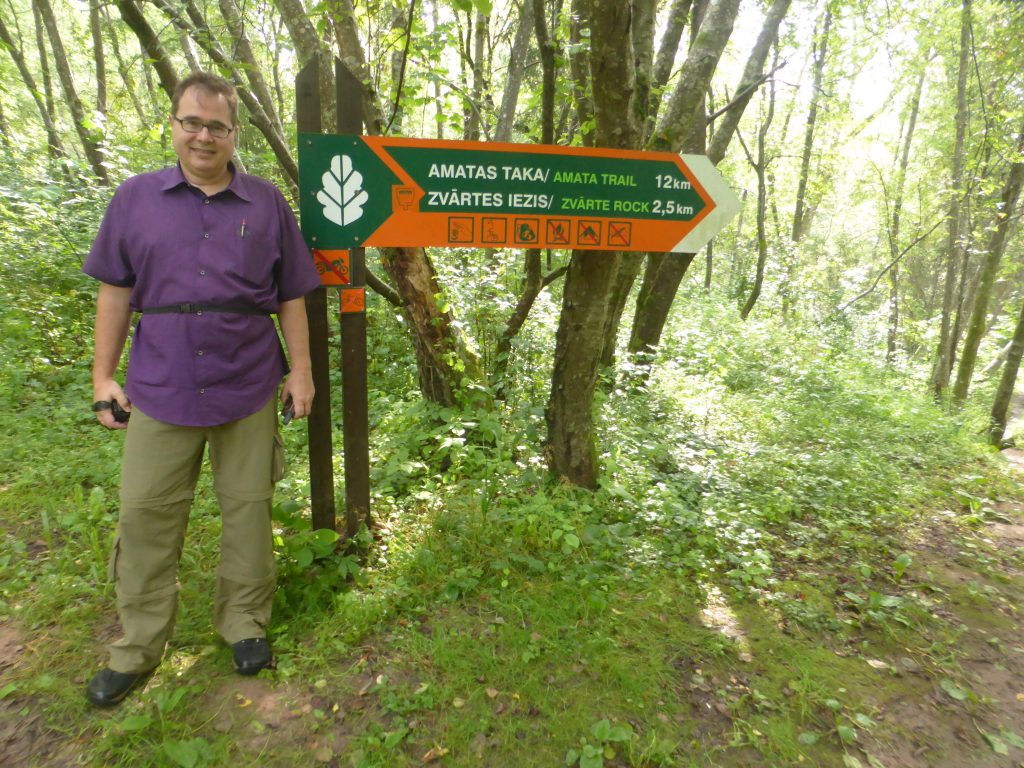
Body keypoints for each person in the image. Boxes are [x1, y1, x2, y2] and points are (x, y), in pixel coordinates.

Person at [82, 71, 321, 707]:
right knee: (145, 515)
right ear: (175, 125)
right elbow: (115, 291)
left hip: (246, 382)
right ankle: (137, 646)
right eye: (193, 122)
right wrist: (103, 376)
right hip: (161, 385)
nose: (204, 135)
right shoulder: (135, 199)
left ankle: (243, 623)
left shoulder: (267, 202)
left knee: (247, 508)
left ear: (233, 133)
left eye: (217, 125)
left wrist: (300, 370)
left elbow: (292, 294)